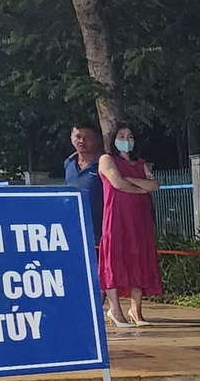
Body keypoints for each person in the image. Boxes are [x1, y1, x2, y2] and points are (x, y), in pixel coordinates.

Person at [97, 123, 164, 328]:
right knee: (114, 261)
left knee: (138, 259)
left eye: (130, 136)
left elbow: (154, 185)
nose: (126, 141)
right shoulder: (107, 159)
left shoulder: (141, 164)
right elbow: (117, 183)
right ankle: (115, 310)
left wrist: (132, 180)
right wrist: (140, 188)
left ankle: (136, 310)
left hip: (139, 218)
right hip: (116, 217)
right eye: (122, 136)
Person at [65, 123, 106, 244]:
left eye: (86, 137)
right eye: (77, 137)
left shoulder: (106, 163)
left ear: (97, 139)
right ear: (71, 138)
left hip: (101, 229)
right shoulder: (68, 163)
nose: (81, 141)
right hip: (76, 228)